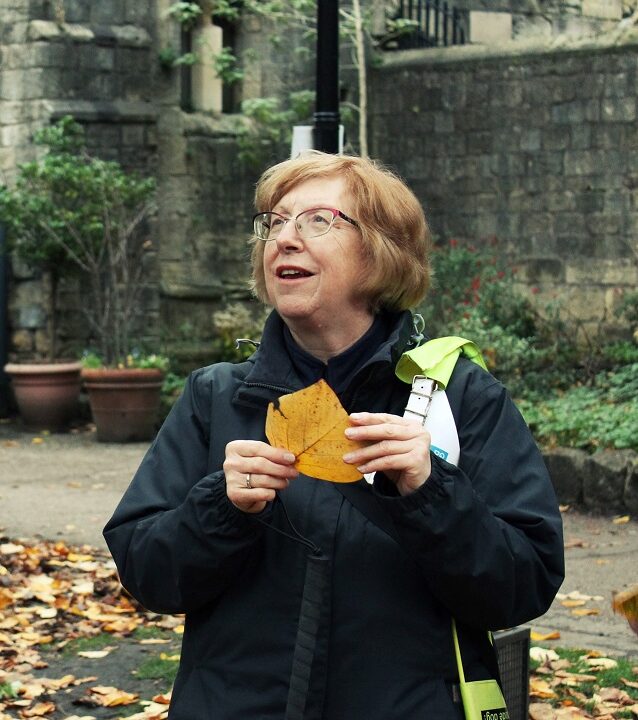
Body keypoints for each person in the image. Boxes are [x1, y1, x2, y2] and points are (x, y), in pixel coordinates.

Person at [104, 151, 564, 720]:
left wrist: (431, 491)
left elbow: (523, 586)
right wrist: (220, 508)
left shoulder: (458, 398)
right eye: (274, 222)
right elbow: (148, 576)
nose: (284, 240)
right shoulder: (216, 397)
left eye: (317, 220)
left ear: (381, 251)